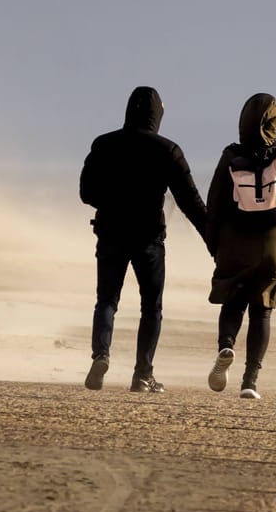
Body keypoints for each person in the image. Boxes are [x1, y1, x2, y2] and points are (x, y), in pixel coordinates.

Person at [78, 86, 209, 393]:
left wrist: (112, 202)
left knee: (107, 299)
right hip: (149, 237)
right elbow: (190, 203)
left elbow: (86, 193)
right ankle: (142, 375)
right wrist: (213, 239)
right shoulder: (168, 150)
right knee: (151, 306)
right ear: (157, 115)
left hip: (110, 231)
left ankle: (101, 354)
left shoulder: (103, 144)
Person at [204, 93, 276, 399]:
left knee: (235, 299)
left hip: (236, 240)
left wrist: (215, 244)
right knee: (262, 311)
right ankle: (250, 381)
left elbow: (215, 203)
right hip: (274, 242)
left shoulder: (231, 155)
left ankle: (226, 346)